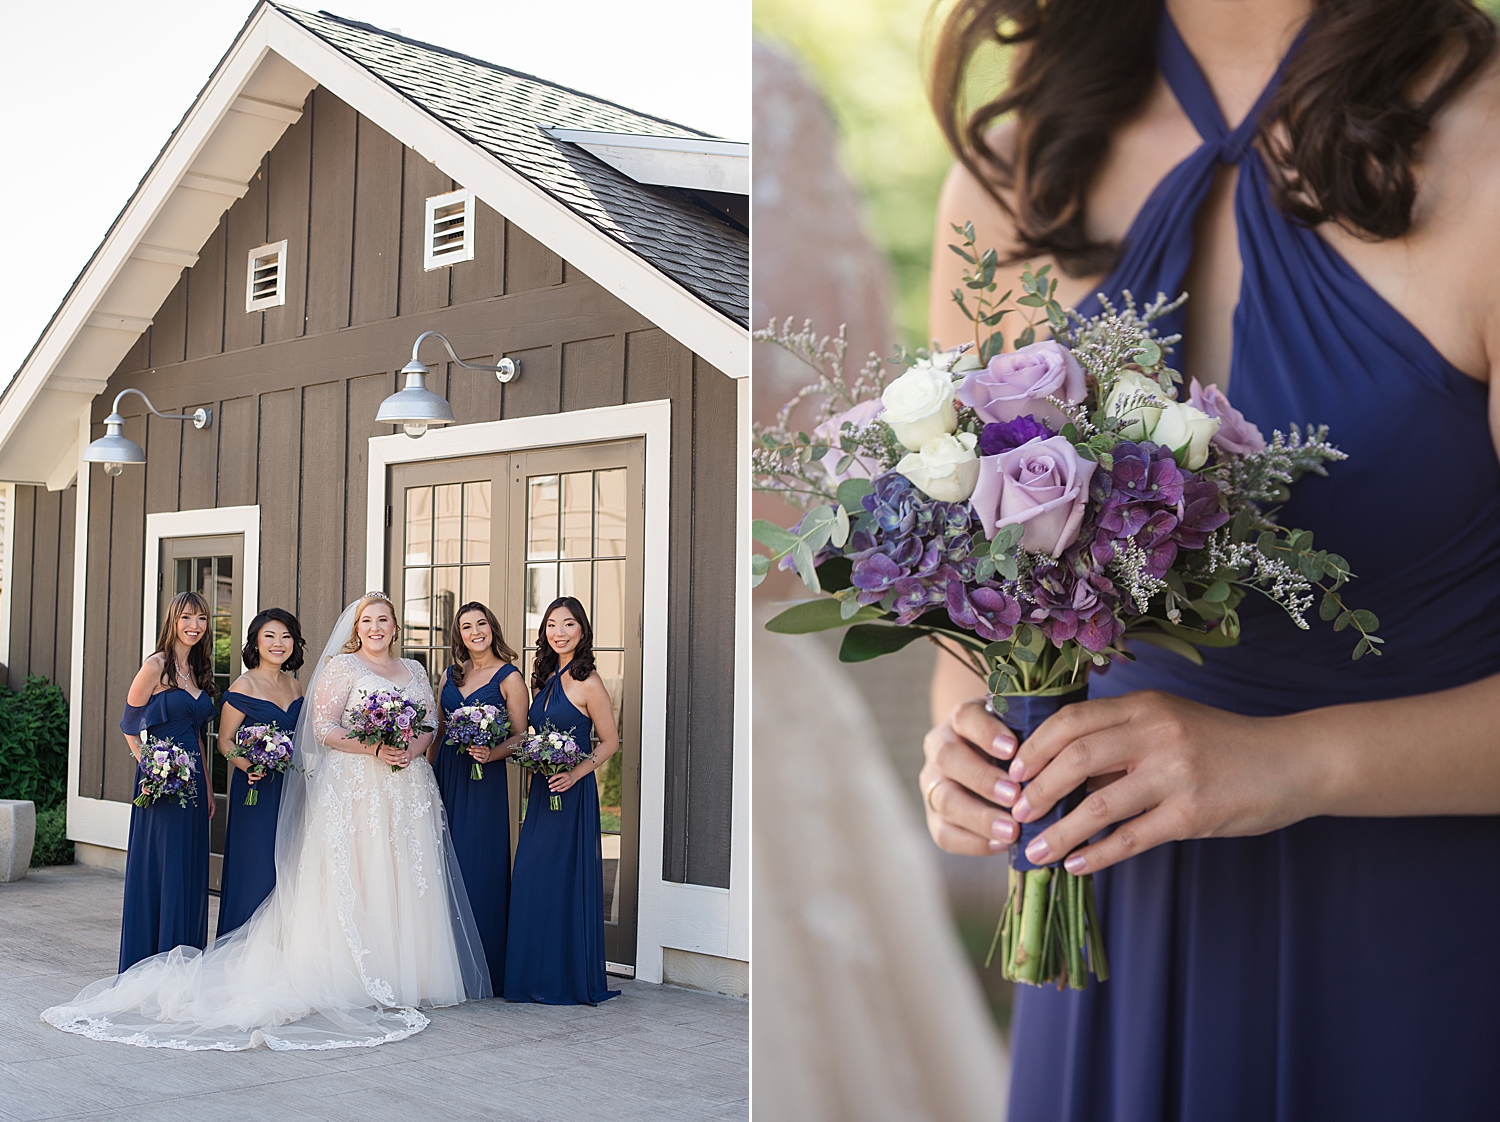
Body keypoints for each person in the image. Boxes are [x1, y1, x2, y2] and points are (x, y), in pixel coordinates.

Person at [917, 1, 1500, 1117]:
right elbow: (985, 597)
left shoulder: (1488, 147)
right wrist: (970, 738)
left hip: (1429, 941)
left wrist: (1292, 764)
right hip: (1119, 926)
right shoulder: (1018, 164)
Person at [42, 592, 490, 1050]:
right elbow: (157, 726)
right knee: (283, 870)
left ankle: (403, 970)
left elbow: (428, 724)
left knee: (393, 875)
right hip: (259, 785)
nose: (376, 627)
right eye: (367, 620)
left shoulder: (386, 674)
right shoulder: (188, 670)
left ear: (395, 626)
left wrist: (413, 745)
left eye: (384, 620)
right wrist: (151, 764)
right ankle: (162, 958)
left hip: (375, 787)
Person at [504, 596, 620, 1005]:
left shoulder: (590, 681)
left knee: (563, 879)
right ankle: (532, 975)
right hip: (541, 791)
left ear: (582, 631)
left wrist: (574, 774)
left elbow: (610, 742)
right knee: (535, 876)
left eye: (568, 624)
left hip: (570, 793)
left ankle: (563, 978)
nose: (559, 632)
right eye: (552, 624)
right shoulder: (546, 677)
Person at [116, 591, 217, 972]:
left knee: (189, 867)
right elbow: (129, 722)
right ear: (173, 621)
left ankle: (184, 961)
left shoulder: (201, 668)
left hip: (193, 783)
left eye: (202, 619)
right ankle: (151, 961)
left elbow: (198, 736)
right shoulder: (156, 665)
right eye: (187, 617)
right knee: (164, 866)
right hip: (162, 784)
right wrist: (151, 765)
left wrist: (207, 787)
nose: (195, 625)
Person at [430, 601, 528, 984]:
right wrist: (428, 776)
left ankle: (484, 966)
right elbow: (437, 731)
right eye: (467, 626)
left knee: (477, 864)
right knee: (440, 863)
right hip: (447, 774)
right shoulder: (449, 676)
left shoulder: (509, 677)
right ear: (459, 635)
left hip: (483, 781)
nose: (475, 631)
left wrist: (492, 753)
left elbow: (521, 736)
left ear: (492, 628)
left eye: (481, 624)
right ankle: (444, 963)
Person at [214, 608, 306, 937]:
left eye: (286, 636)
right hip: (255, 787)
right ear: (256, 642)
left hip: (290, 787)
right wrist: (248, 765)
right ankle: (242, 941)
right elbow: (225, 741)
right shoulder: (244, 686)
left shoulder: (295, 688)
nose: (278, 643)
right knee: (256, 863)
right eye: (270, 636)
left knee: (287, 864)